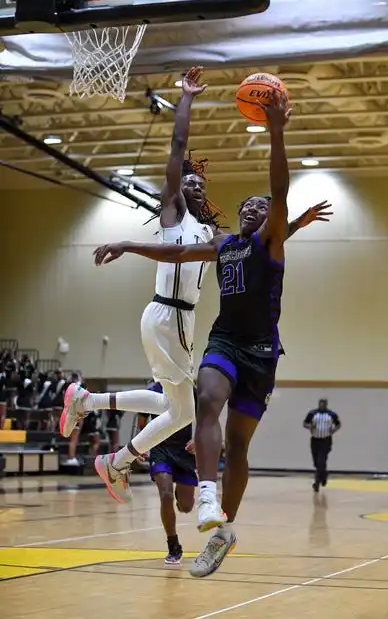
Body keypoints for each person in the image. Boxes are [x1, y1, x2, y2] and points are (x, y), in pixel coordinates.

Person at [60, 68, 332, 504]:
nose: (193, 185)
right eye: (187, 181)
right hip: (167, 314)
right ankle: (117, 458)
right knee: (184, 409)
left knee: (179, 405)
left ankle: (90, 403)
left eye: (200, 183)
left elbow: (262, 248)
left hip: (183, 323)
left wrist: (295, 223)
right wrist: (185, 99)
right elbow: (177, 149)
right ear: (176, 189)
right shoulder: (173, 216)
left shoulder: (211, 236)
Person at [138, 380, 197, 566]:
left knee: (187, 506)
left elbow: (206, 418)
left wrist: (198, 439)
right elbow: (141, 421)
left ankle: (180, 492)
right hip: (159, 448)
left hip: (184, 450)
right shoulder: (152, 391)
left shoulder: (189, 390)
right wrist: (140, 446)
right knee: (165, 495)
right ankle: (173, 545)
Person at [303, 398, 341, 492]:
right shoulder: (312, 413)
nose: (321, 406)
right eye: (320, 404)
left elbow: (338, 424)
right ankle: (324, 475)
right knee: (316, 462)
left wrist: (334, 430)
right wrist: (310, 427)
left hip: (326, 440)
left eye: (323, 404)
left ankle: (317, 483)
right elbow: (305, 423)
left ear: (326, 405)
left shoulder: (331, 414)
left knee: (321, 461)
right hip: (315, 440)